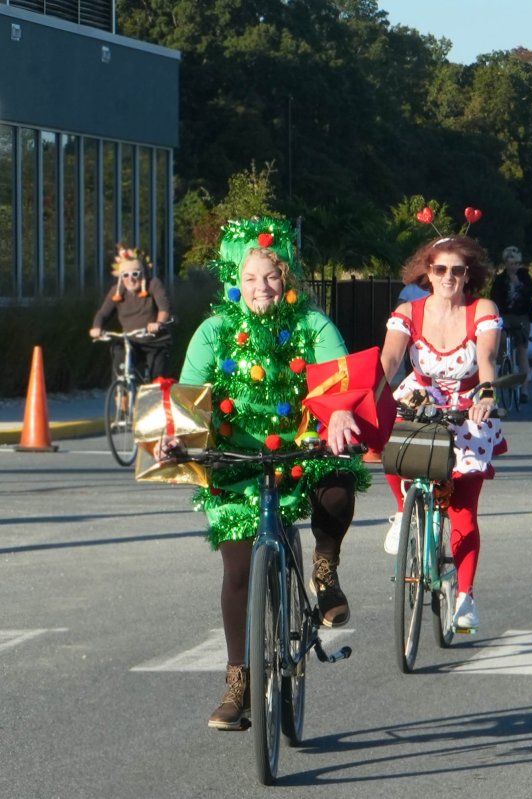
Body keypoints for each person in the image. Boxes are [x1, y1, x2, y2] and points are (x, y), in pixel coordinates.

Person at [158, 217, 370, 731]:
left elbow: (336, 377)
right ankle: (239, 681)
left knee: (338, 488)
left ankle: (324, 569)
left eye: (271, 277)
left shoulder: (311, 325)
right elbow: (190, 399)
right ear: (237, 278)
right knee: (236, 572)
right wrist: (178, 440)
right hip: (234, 460)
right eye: (251, 278)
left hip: (300, 448)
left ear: (287, 277)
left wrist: (340, 412)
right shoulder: (214, 331)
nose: (261, 288)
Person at [379, 235, 505, 631]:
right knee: (391, 444)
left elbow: (486, 357)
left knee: (464, 509)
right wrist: (373, 394)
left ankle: (465, 597)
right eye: (440, 269)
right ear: (426, 273)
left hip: (467, 406)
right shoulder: (408, 311)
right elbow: (391, 358)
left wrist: (486, 393)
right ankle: (402, 512)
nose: (448, 277)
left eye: (457, 270)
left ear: (469, 275)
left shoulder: (481, 309)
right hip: (419, 398)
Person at [89, 244, 172, 380]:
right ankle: (121, 394)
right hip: (131, 342)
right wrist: (97, 327)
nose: (130, 278)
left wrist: (158, 323)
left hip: (155, 341)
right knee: (119, 361)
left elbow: (164, 308)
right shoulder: (117, 291)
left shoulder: (153, 284)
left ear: (142, 273)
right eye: (125, 275)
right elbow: (103, 313)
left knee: (157, 382)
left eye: (135, 274)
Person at [490, 245, 532, 402]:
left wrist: (519, 284)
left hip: (521, 316)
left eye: (517, 264)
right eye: (511, 264)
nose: (514, 267)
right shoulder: (500, 279)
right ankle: (500, 379)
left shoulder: (524, 276)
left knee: (522, 350)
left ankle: (524, 389)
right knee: (501, 346)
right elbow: (494, 298)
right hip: (505, 315)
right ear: (505, 264)